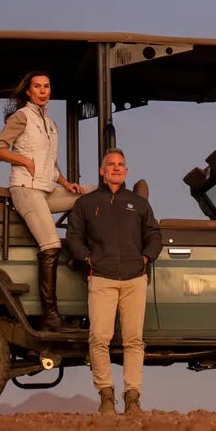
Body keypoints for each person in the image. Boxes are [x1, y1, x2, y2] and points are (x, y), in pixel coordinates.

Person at [64, 149, 161, 414]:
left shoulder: (138, 204)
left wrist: (144, 259)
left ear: (126, 172)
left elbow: (154, 235)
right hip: (101, 279)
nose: (116, 169)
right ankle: (106, 397)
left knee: (133, 340)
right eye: (111, 165)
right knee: (99, 339)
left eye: (121, 165)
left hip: (134, 279)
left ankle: (133, 398)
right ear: (102, 170)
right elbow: (73, 237)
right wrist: (89, 259)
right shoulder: (86, 203)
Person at [0, 71, 84, 331]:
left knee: (87, 197)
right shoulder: (22, 117)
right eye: (37, 87)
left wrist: (67, 184)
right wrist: (24, 161)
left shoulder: (50, 123)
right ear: (29, 92)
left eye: (46, 86)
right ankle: (50, 317)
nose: (42, 91)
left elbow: (50, 164)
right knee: (50, 244)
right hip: (25, 189)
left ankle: (78, 250)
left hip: (46, 188)